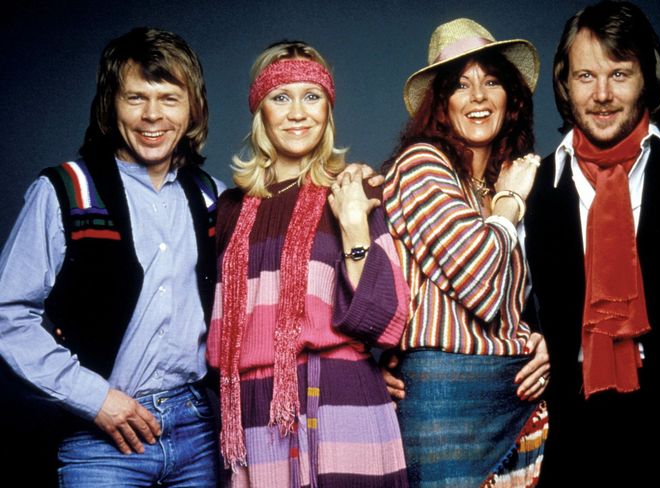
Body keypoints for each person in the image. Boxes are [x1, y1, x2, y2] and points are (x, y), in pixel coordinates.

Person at [522, 1, 660, 485]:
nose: (602, 95)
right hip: (573, 436)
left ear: (647, 78)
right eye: (585, 76)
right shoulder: (532, 186)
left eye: (619, 74)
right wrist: (404, 363)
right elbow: (490, 310)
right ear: (565, 83)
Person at [0, 27, 225, 486]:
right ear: (111, 105)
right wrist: (94, 398)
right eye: (135, 97)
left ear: (193, 109)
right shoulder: (67, 191)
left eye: (169, 98)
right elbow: (7, 313)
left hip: (199, 432)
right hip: (101, 437)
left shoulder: (213, 198)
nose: (152, 115)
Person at [206, 40, 410, 487]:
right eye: (281, 97)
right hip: (252, 413)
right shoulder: (228, 210)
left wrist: (354, 227)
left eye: (311, 96)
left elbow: (385, 320)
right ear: (260, 111)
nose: (298, 113)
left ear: (327, 110)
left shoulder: (355, 191)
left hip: (339, 400)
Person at [381, 18, 550, 487]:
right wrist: (510, 205)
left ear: (510, 98)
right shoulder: (421, 164)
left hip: (517, 397)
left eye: (491, 82)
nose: (478, 96)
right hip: (445, 400)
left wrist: (544, 340)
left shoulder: (505, 180)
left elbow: (530, 296)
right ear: (441, 103)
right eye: (460, 85)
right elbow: (479, 280)